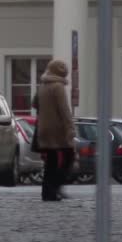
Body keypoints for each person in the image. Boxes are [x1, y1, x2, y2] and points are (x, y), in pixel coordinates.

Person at [33, 60, 76, 201]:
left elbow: (34, 103)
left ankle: (47, 192)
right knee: (69, 156)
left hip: (43, 127)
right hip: (57, 129)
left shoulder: (43, 85)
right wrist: (70, 128)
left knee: (50, 161)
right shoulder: (58, 86)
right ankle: (55, 186)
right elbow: (64, 110)